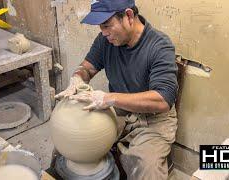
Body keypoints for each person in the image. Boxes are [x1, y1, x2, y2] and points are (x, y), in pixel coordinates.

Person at [55, 0, 178, 179]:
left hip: (153, 121)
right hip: (119, 112)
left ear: (128, 16)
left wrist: (108, 98)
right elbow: (87, 68)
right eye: (100, 27)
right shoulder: (105, 41)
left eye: (107, 26)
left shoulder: (159, 46)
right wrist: (77, 78)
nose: (104, 33)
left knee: (146, 169)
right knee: (66, 144)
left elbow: (163, 99)